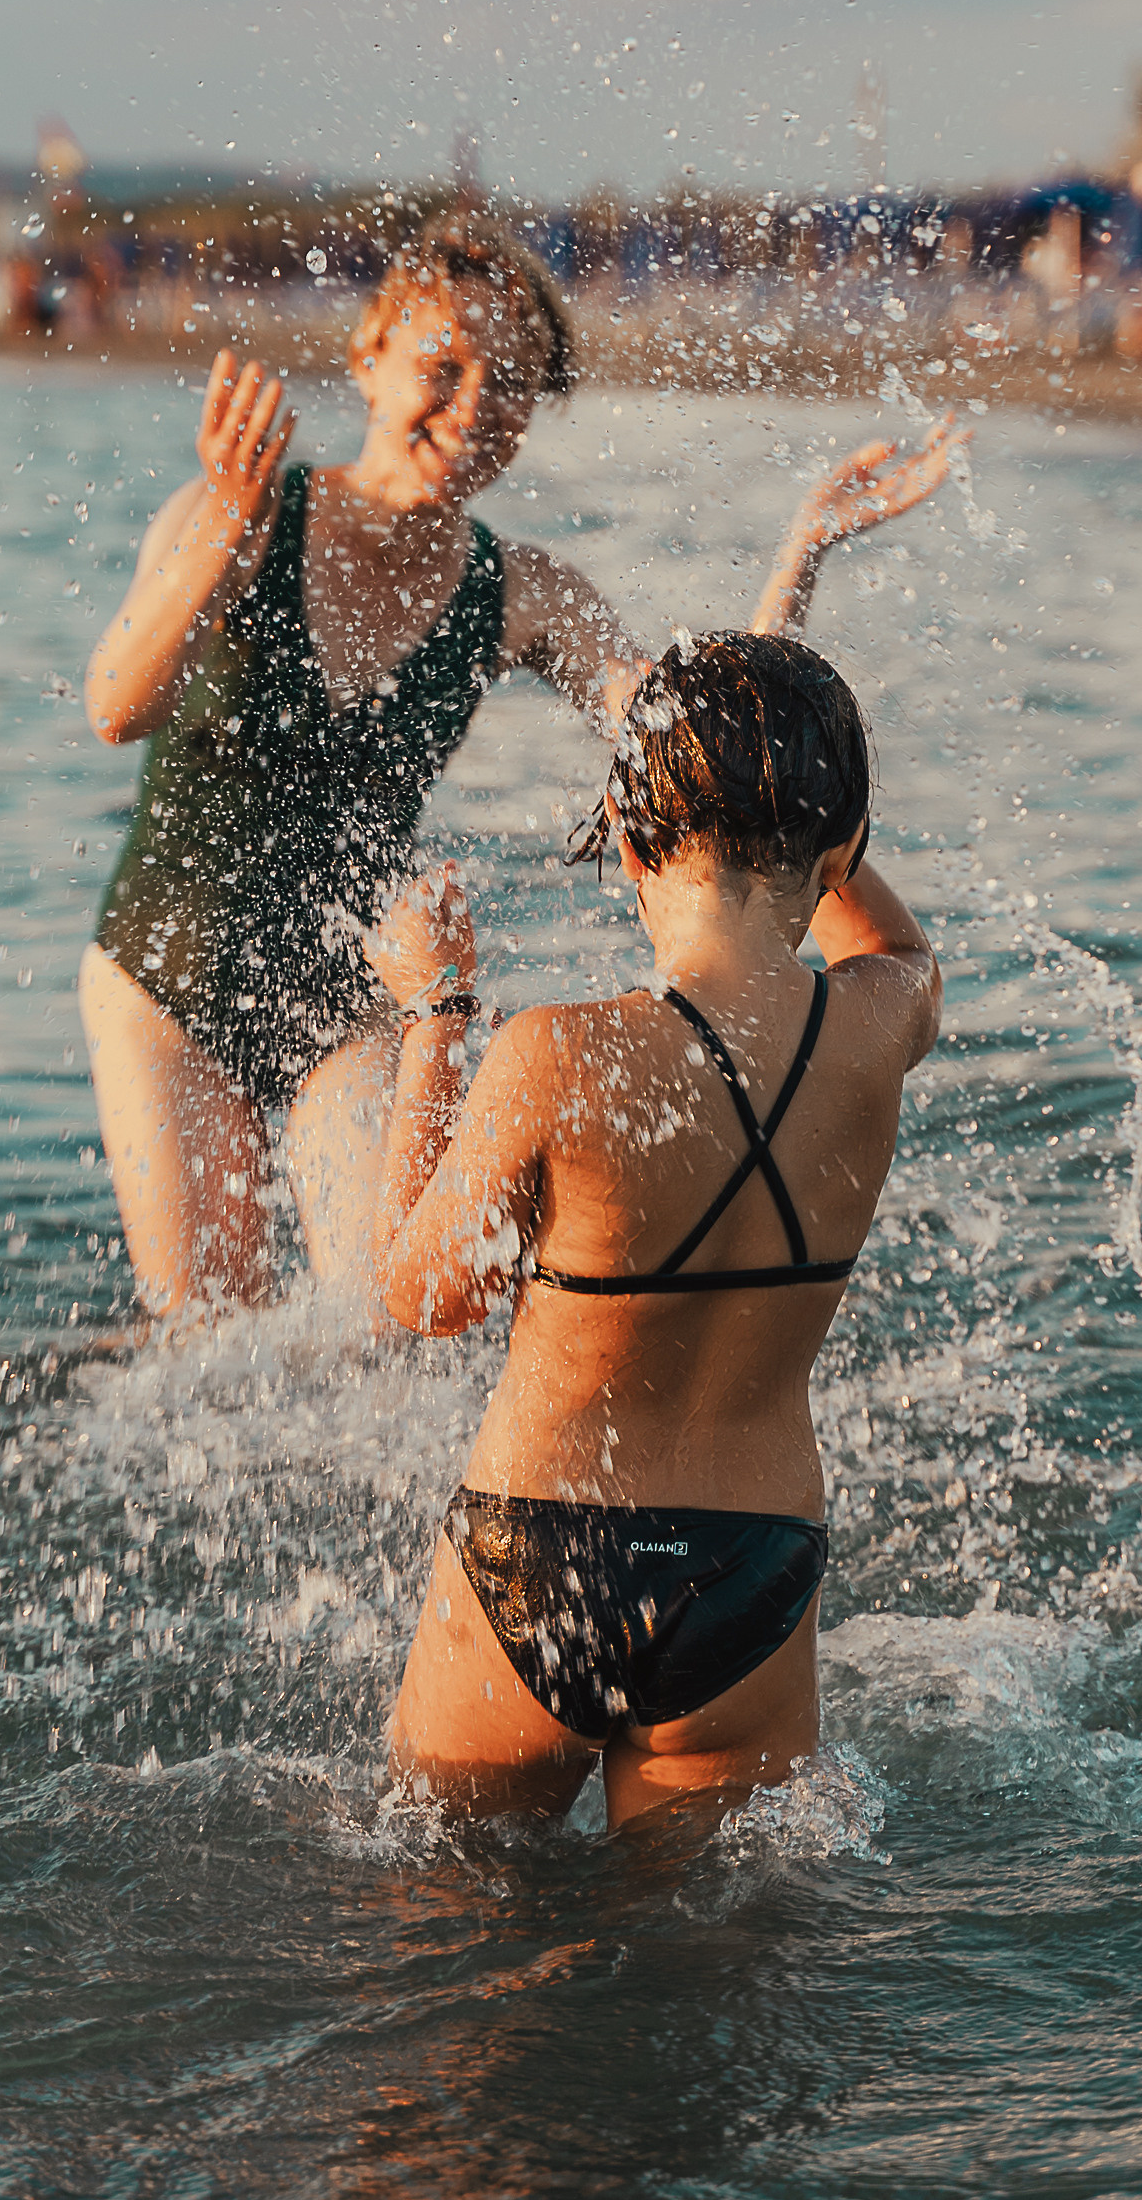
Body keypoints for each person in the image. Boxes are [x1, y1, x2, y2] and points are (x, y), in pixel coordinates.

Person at [80, 213, 959, 1315]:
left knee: (384, 1333)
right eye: (443, 368)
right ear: (370, 355)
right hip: (168, 971)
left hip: (353, 989)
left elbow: (693, 742)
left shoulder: (524, 592)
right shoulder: (240, 518)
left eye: (511, 387)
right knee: (207, 1342)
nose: (474, 407)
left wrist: (802, 552)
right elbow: (118, 706)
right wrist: (227, 527)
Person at [368, 631, 941, 1829]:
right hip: (756, 1569)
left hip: (542, 1553)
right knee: (699, 1970)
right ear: (839, 849)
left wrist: (437, 1010)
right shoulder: (882, 1026)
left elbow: (423, 1297)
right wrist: (812, 812)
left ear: (627, 844)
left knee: (442, 1951)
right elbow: (892, 944)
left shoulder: (555, 1057)